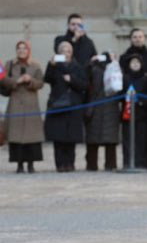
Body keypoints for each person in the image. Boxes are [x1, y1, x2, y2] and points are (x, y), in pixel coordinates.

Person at [1, 41, 45, 173]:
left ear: (28, 50)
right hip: (15, 103)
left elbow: (41, 82)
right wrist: (17, 81)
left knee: (32, 137)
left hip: (31, 103)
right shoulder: (9, 64)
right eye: (19, 48)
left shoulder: (35, 66)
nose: (22, 51)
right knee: (16, 137)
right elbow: (3, 80)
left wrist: (30, 81)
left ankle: (31, 165)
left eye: (24, 48)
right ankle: (19, 165)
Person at [44, 41, 88, 172]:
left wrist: (71, 79)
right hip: (58, 105)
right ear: (58, 53)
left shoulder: (78, 67)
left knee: (71, 137)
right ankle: (60, 164)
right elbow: (47, 79)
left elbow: (84, 85)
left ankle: (70, 163)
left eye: (68, 51)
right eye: (63, 51)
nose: (66, 53)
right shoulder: (54, 66)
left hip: (73, 106)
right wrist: (51, 66)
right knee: (58, 137)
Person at [84, 53, 122, 171]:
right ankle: (93, 165)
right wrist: (90, 62)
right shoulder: (93, 68)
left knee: (108, 139)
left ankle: (108, 165)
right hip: (97, 106)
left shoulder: (115, 69)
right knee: (93, 139)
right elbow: (84, 79)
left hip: (107, 107)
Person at [121, 54, 147, 168]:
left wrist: (141, 101)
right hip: (127, 113)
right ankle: (127, 162)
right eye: (132, 63)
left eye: (137, 63)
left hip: (141, 113)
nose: (135, 65)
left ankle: (140, 162)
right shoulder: (125, 78)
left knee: (141, 139)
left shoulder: (145, 78)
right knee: (127, 139)